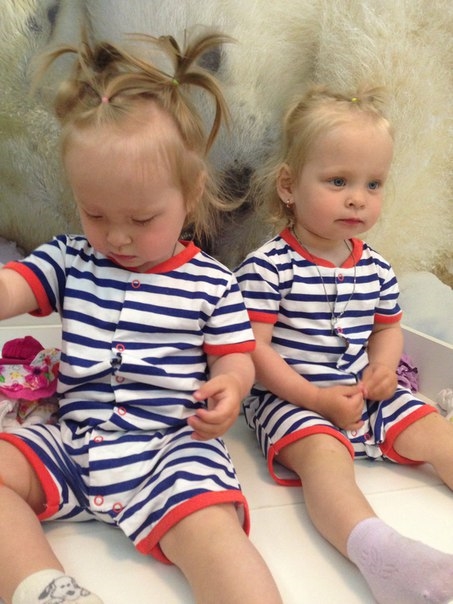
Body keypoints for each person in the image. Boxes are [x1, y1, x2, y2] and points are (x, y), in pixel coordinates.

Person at [0, 31, 283, 604]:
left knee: (213, 530)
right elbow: (12, 286)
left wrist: (231, 386)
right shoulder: (71, 258)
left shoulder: (212, 283)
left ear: (190, 193)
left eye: (142, 218)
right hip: (73, 444)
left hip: (172, 448)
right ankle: (46, 590)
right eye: (95, 213)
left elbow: (236, 357)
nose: (118, 237)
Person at [235, 85, 453, 604]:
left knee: (436, 431)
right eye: (338, 181)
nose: (358, 198)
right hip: (290, 398)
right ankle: (381, 554)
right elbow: (252, 350)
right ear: (289, 186)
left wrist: (383, 368)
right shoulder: (268, 267)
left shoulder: (375, 267)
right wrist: (315, 398)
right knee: (324, 462)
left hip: (364, 391)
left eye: (373, 184)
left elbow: (387, 329)